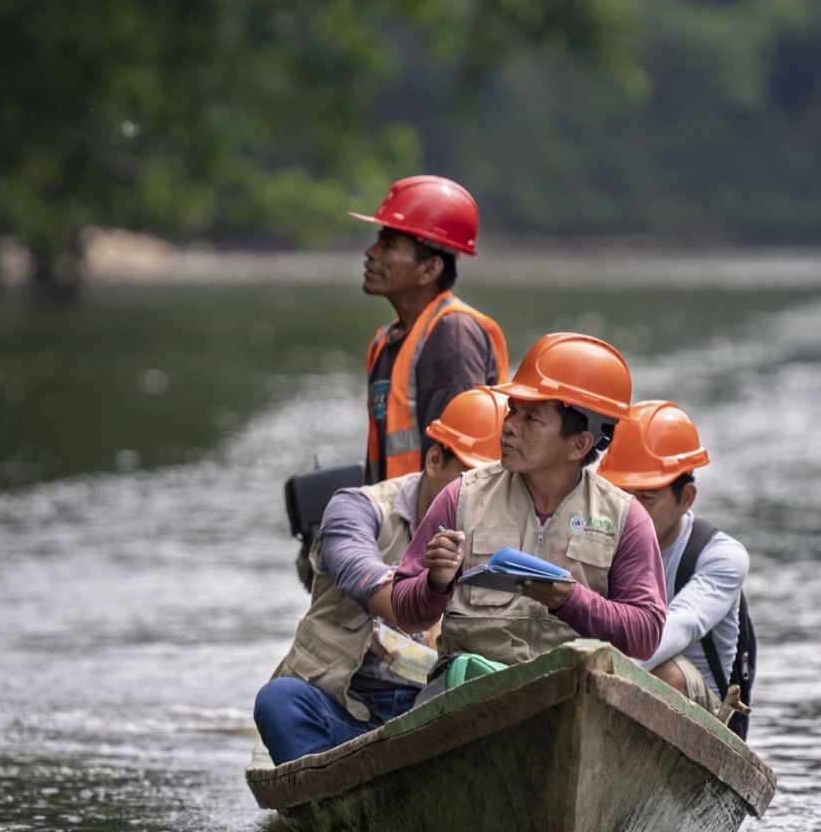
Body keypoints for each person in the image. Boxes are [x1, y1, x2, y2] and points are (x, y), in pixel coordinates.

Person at [254, 387, 506, 763]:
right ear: (435, 460)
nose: (482, 500)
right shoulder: (356, 510)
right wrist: (434, 592)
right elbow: (374, 585)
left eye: (496, 487)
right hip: (347, 711)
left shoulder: (505, 534)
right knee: (278, 702)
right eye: (472, 482)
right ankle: (328, 799)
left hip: (433, 718)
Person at [391, 333, 667, 668]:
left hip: (575, 692)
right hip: (466, 687)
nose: (508, 426)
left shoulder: (626, 519)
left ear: (579, 445)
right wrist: (434, 582)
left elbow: (647, 635)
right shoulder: (461, 496)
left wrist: (571, 600)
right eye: (513, 410)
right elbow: (404, 613)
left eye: (531, 418)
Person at [596, 401, 752, 725]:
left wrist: (596, 667)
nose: (630, 510)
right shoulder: (597, 538)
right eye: (621, 494)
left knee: (663, 673)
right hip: (611, 685)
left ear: (686, 498)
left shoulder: (722, 557)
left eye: (646, 497)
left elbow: (681, 624)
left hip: (702, 714)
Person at [351, 175, 509, 485]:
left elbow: (461, 470)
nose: (371, 252)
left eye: (389, 244)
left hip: (433, 528)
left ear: (429, 269)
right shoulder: (384, 342)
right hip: (397, 524)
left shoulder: (454, 333)